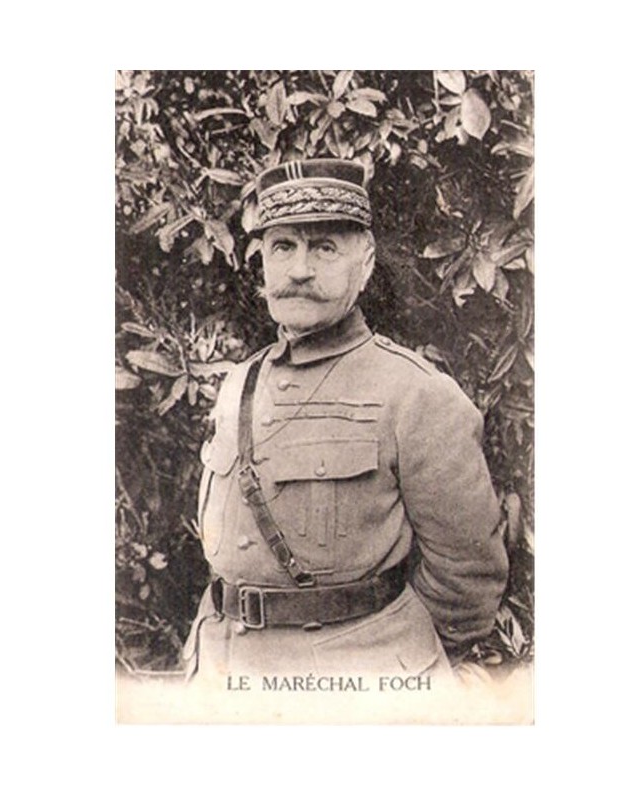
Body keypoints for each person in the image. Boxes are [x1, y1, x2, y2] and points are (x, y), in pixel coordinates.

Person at [182, 158, 508, 686]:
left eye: (325, 248)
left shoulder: (416, 394)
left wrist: (391, 653)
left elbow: (467, 583)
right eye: (282, 246)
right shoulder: (240, 384)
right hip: (221, 677)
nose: (299, 269)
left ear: (367, 262)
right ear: (262, 261)